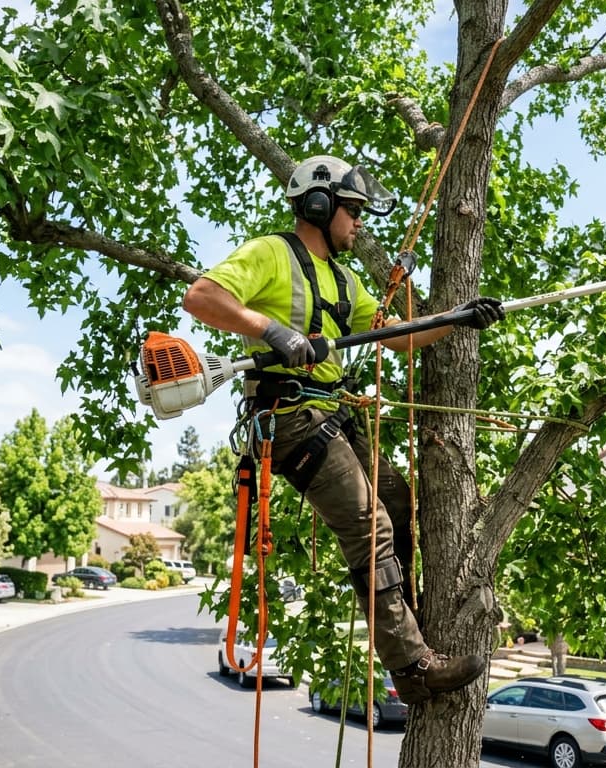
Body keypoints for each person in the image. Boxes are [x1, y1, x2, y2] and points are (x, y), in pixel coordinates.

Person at [183, 155, 504, 704]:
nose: (359, 223)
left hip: (331, 412)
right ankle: (412, 667)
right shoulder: (270, 253)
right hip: (288, 417)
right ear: (317, 205)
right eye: (351, 211)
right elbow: (202, 297)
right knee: (369, 524)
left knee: (398, 503)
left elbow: (394, 338)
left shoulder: (345, 279)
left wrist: (454, 320)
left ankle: (409, 623)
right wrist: (273, 332)